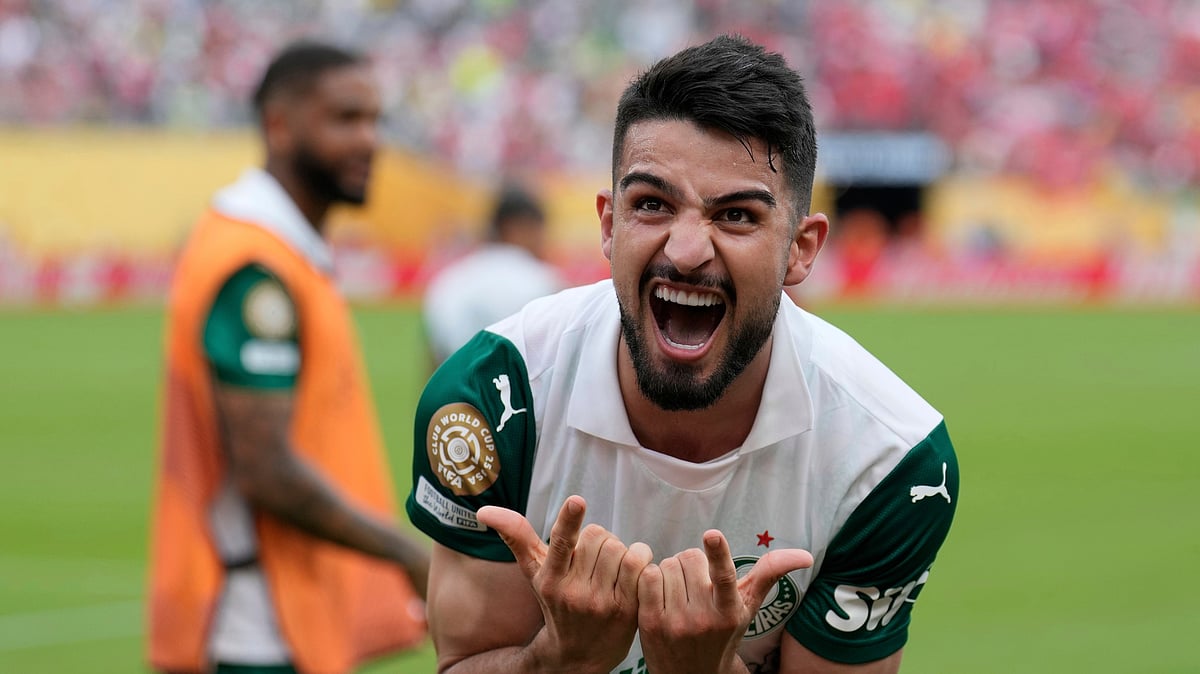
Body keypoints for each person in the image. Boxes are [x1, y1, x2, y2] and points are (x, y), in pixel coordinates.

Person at [407, 34, 958, 674]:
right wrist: (560, 659)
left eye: (737, 216)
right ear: (609, 226)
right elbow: (462, 662)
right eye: (652, 205)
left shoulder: (890, 459)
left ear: (801, 250)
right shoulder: (493, 398)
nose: (687, 248)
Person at [147, 41, 427, 674]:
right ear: (278, 124)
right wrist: (410, 556)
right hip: (256, 626)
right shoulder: (256, 266)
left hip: (286, 618)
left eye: (375, 120)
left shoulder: (280, 251)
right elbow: (266, 467)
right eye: (345, 119)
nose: (369, 140)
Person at [422, 183, 563, 364]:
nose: (543, 241)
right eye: (539, 231)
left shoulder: (449, 280)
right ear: (518, 228)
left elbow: (435, 363)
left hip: (461, 384)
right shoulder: (543, 281)